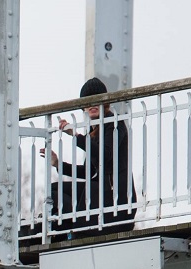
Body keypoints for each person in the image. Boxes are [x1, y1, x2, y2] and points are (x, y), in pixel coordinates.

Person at [39, 77, 136, 240]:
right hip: (100, 198)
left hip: (116, 204)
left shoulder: (115, 124)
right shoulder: (94, 132)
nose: (92, 105)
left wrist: (76, 136)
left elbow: (105, 155)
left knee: (87, 190)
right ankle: (57, 233)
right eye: (87, 102)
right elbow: (89, 171)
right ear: (84, 107)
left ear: (105, 103)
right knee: (55, 190)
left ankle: (70, 232)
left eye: (96, 100)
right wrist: (58, 163)